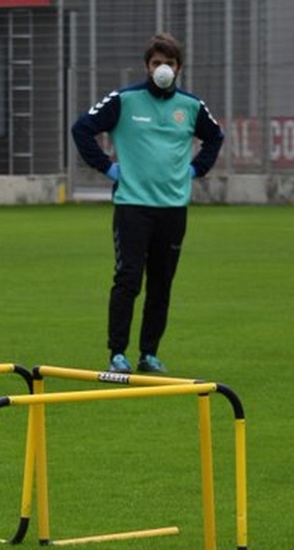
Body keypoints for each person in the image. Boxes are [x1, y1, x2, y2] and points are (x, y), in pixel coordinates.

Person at [71, 32, 224, 374]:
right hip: (132, 206)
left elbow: (215, 137)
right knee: (128, 279)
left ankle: (149, 354)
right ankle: (117, 353)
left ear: (179, 67)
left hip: (173, 208)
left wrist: (197, 169)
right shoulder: (125, 100)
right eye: (157, 63)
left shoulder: (191, 106)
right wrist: (107, 167)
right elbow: (82, 128)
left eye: (169, 63)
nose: (162, 69)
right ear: (147, 66)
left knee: (161, 283)